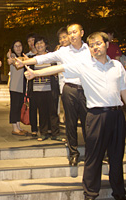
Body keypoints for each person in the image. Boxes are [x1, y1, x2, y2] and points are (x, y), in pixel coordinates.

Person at [23, 31, 126, 200]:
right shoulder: (84, 65)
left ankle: (120, 193)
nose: (95, 48)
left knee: (116, 157)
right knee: (94, 157)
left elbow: (123, 91)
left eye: (98, 44)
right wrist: (36, 73)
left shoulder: (117, 66)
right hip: (96, 115)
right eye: (92, 45)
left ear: (107, 44)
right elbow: (59, 67)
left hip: (116, 116)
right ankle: (91, 193)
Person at [15, 23, 89, 166]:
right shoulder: (64, 51)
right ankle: (73, 153)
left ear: (82, 33)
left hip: (86, 89)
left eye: (75, 32)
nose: (72, 35)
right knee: (70, 122)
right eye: (70, 33)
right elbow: (44, 58)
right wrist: (26, 61)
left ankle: (92, 151)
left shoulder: (89, 50)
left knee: (88, 123)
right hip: (69, 89)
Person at [29, 36, 61, 141]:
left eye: (41, 43)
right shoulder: (33, 59)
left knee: (53, 111)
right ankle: (43, 133)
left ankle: (55, 133)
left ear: (45, 45)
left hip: (50, 88)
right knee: (42, 112)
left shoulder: (51, 57)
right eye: (37, 44)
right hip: (38, 89)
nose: (39, 45)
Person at [7, 40, 28, 136]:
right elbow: (15, 62)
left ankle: (18, 126)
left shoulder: (23, 57)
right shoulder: (13, 57)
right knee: (15, 107)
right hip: (15, 87)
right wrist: (9, 57)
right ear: (12, 48)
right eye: (16, 46)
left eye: (20, 45)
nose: (18, 47)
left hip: (21, 86)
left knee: (19, 106)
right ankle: (14, 128)